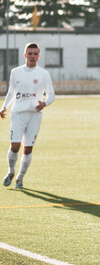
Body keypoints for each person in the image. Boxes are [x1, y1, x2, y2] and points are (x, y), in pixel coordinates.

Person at [1, 42, 55, 189]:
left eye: (35, 54)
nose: (32, 56)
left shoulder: (44, 74)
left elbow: (51, 95)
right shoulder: (16, 72)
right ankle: (11, 171)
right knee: (15, 146)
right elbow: (11, 92)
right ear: (25, 55)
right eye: (29, 53)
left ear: (39, 56)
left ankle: (20, 178)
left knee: (28, 148)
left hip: (35, 115)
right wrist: (4, 107)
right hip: (18, 113)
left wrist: (44, 104)